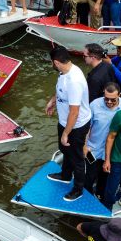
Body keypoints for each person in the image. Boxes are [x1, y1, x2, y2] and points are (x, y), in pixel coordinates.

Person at [45, 46, 92, 202]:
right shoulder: (64, 72)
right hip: (65, 121)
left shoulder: (74, 81)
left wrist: (66, 133)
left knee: (77, 158)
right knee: (64, 150)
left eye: (52, 62)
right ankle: (65, 176)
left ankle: (78, 189)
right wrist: (53, 101)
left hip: (76, 126)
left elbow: (75, 112)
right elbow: (60, 89)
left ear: (57, 62)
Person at [84, 83, 121, 197]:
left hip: (112, 152)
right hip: (93, 149)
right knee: (90, 175)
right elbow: (87, 127)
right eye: (106, 99)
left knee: (105, 176)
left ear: (119, 95)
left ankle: (100, 195)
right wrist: (84, 146)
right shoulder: (94, 105)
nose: (109, 102)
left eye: (113, 100)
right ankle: (87, 195)